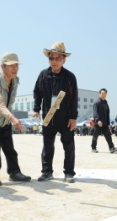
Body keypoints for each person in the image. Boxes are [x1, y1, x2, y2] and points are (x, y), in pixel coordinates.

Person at [32, 42, 78, 183]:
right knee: (47, 146)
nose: (54, 61)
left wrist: (73, 117)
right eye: (51, 58)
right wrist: (36, 109)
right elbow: (37, 92)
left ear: (64, 60)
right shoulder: (43, 75)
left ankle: (69, 173)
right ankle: (47, 172)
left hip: (65, 118)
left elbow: (74, 98)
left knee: (68, 145)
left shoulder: (70, 77)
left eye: (58, 58)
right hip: (48, 117)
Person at [0, 52, 31, 186]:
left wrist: (10, 118)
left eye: (16, 65)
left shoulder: (15, 80)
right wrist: (13, 118)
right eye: (11, 66)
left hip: (5, 120)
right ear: (2, 67)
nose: (14, 68)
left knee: (9, 148)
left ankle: (14, 173)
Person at [91, 89, 117, 153]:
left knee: (108, 136)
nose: (104, 95)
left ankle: (111, 148)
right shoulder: (97, 103)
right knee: (95, 136)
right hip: (98, 123)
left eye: (105, 94)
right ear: (99, 94)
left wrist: (108, 123)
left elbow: (107, 113)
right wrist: (98, 120)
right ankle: (93, 148)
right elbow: (95, 112)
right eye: (102, 94)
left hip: (105, 123)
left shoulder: (105, 102)